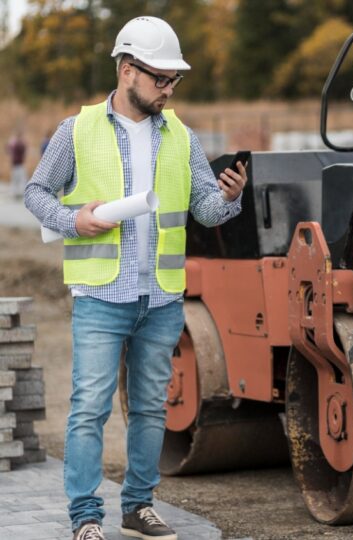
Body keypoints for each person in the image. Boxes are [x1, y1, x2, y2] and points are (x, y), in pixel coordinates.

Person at [24, 16, 247, 540]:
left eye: (175, 81)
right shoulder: (76, 130)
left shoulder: (182, 137)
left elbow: (205, 211)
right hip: (101, 295)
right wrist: (73, 220)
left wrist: (230, 199)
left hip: (162, 298)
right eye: (160, 79)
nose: (169, 89)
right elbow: (36, 193)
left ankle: (138, 506)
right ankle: (85, 517)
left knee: (150, 408)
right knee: (89, 410)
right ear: (127, 70)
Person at [7, 130, 27, 199]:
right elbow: (23, 149)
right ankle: (18, 193)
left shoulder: (13, 143)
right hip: (18, 164)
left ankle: (15, 193)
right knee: (21, 179)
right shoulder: (18, 144)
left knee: (16, 179)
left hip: (15, 164)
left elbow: (8, 149)